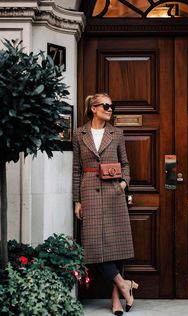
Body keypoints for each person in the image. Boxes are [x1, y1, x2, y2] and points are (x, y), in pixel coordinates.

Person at [73, 93, 139, 315]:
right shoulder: (79, 133)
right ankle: (124, 284)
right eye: (106, 105)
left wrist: (123, 183)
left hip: (113, 193)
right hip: (89, 192)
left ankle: (116, 301)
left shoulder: (117, 133)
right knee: (93, 246)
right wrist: (77, 200)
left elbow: (126, 164)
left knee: (115, 247)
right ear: (94, 108)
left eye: (112, 106)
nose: (110, 109)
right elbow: (76, 169)